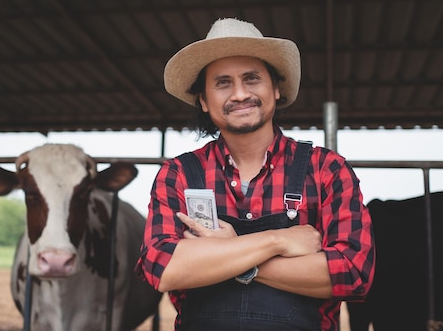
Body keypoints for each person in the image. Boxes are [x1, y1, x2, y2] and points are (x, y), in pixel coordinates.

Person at [136, 18, 375, 331]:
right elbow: (162, 267)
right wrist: (279, 240)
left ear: (275, 89)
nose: (238, 94)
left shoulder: (326, 169)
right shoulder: (178, 174)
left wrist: (231, 259)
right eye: (223, 83)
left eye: (251, 79)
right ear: (205, 101)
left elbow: (352, 273)